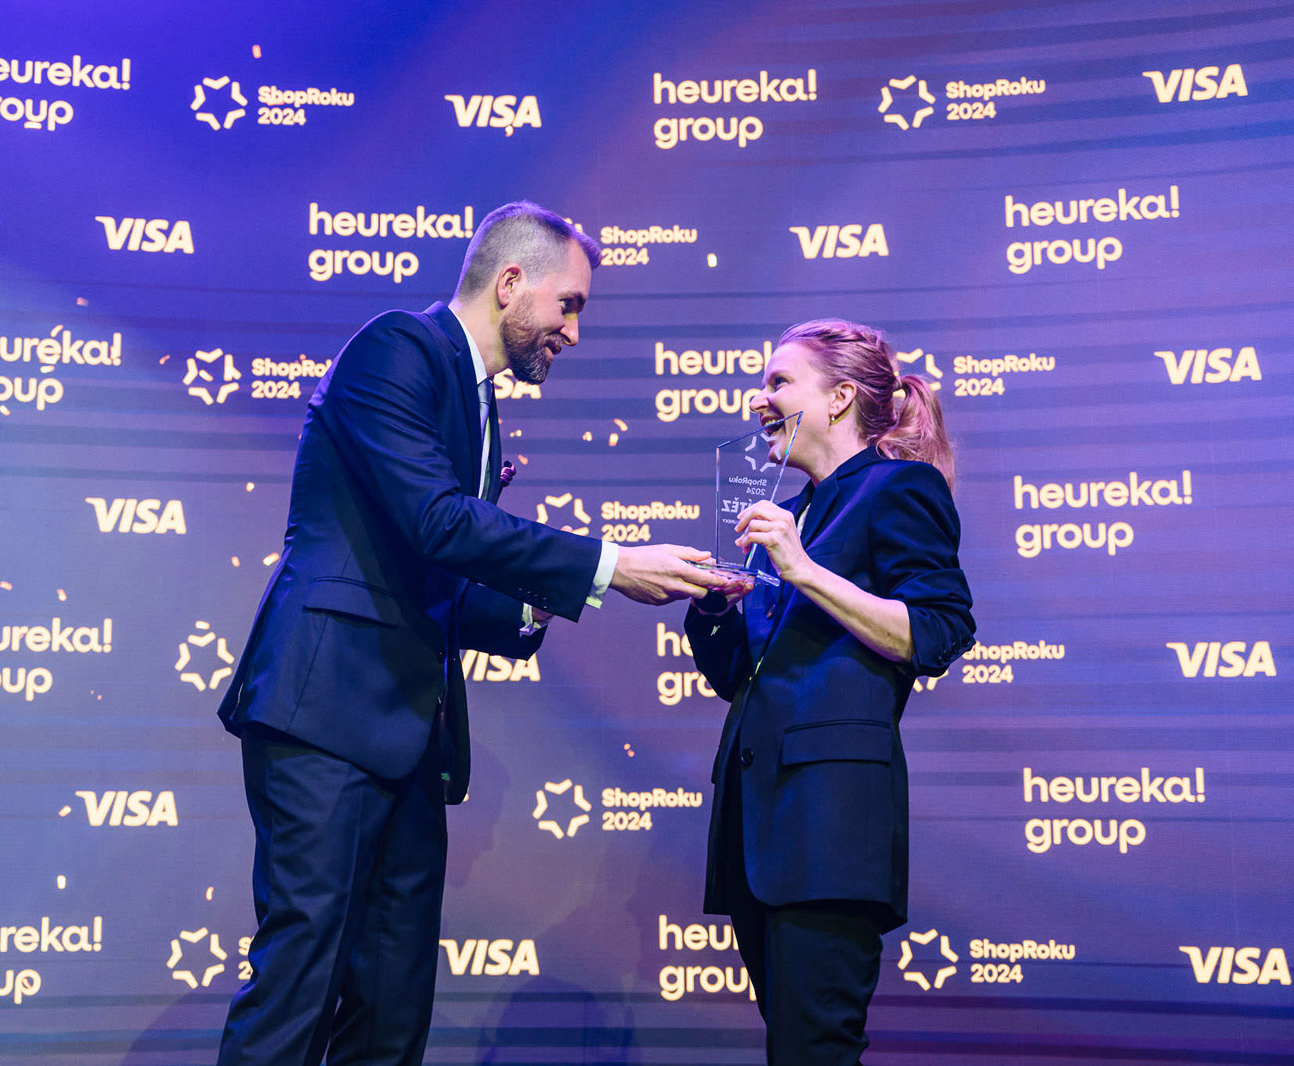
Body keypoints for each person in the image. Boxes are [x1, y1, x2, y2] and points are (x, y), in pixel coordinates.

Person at [214, 200, 726, 1066]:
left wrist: (533, 606)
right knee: (300, 978)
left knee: (392, 1003)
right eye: (569, 305)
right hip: (325, 713)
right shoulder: (398, 349)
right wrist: (607, 565)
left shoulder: (479, 402)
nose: (574, 331)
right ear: (511, 282)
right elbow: (437, 523)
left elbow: (430, 570)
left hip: (410, 735)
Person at [685, 319, 977, 1066]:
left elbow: (939, 629)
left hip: (829, 825)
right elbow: (740, 676)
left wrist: (804, 569)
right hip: (759, 821)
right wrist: (713, 605)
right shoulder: (797, 509)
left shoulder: (896, 487)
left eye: (778, 382)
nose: (758, 399)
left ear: (841, 397)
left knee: (816, 1050)